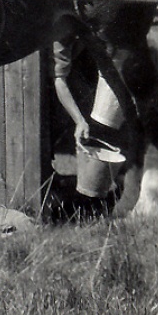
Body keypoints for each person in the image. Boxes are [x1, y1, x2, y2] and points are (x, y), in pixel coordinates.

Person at [51, 12, 125, 218]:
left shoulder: (99, 20)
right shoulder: (60, 35)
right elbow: (60, 80)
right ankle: (87, 203)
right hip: (75, 84)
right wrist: (79, 121)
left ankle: (103, 196)